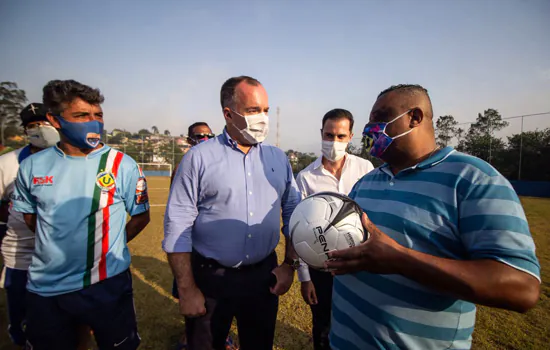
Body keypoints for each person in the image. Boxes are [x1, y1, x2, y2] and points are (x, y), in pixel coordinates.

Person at [325, 84, 541, 350]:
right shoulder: (366, 182)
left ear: (414, 117)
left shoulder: (473, 179)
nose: (371, 128)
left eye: (380, 117)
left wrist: (399, 259)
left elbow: (522, 288)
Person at [163, 75, 301, 350]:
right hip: (210, 280)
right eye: (253, 111)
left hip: (263, 279)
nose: (262, 118)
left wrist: (289, 266)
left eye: (265, 110)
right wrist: (188, 289)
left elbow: (294, 214)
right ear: (228, 114)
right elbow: (178, 224)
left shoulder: (278, 158)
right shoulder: (199, 158)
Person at [11, 79, 151, 350]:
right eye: (81, 115)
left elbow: (141, 217)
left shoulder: (121, 164)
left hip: (106, 284)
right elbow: (31, 218)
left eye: (97, 115)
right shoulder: (31, 166)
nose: (93, 122)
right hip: (46, 286)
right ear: (54, 119)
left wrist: (110, 245)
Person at [295, 108, 373, 350]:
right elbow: (299, 232)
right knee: (323, 327)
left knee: (360, 325)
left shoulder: (366, 169)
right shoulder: (306, 177)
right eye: (329, 135)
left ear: (350, 137)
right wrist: (305, 279)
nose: (334, 142)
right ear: (321, 134)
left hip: (360, 265)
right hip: (323, 268)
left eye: (340, 136)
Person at [0, 103, 60, 346]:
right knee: (20, 303)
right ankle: (19, 335)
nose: (40, 129)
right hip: (21, 250)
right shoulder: (7, 163)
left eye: (44, 123)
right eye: (33, 125)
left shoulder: (74, 159)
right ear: (25, 131)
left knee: (56, 310)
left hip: (61, 251)